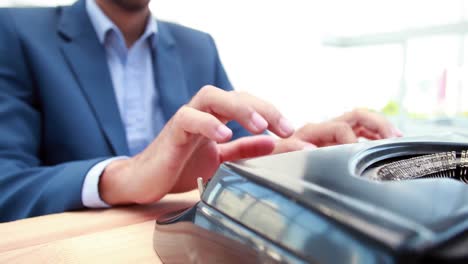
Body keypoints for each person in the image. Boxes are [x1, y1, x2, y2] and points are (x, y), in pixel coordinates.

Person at [0, 0, 401, 222]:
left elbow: (237, 153)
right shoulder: (16, 30)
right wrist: (123, 175)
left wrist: (296, 147)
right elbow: (7, 185)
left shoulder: (197, 46)